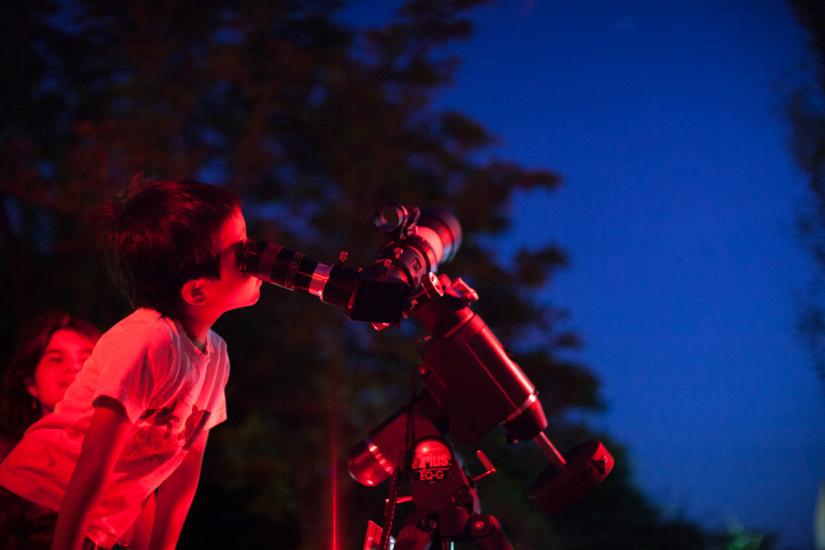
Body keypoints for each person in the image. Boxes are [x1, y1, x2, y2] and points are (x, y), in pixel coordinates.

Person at [0, 179, 262, 550]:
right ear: (197, 290)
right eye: (241, 249)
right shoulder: (147, 341)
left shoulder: (216, 357)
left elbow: (181, 477)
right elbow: (93, 464)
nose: (258, 255)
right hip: (38, 502)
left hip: (95, 525)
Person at [0, 311, 101, 461]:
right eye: (56, 359)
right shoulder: (6, 456)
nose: (74, 367)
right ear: (31, 383)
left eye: (87, 359)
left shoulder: (130, 459)